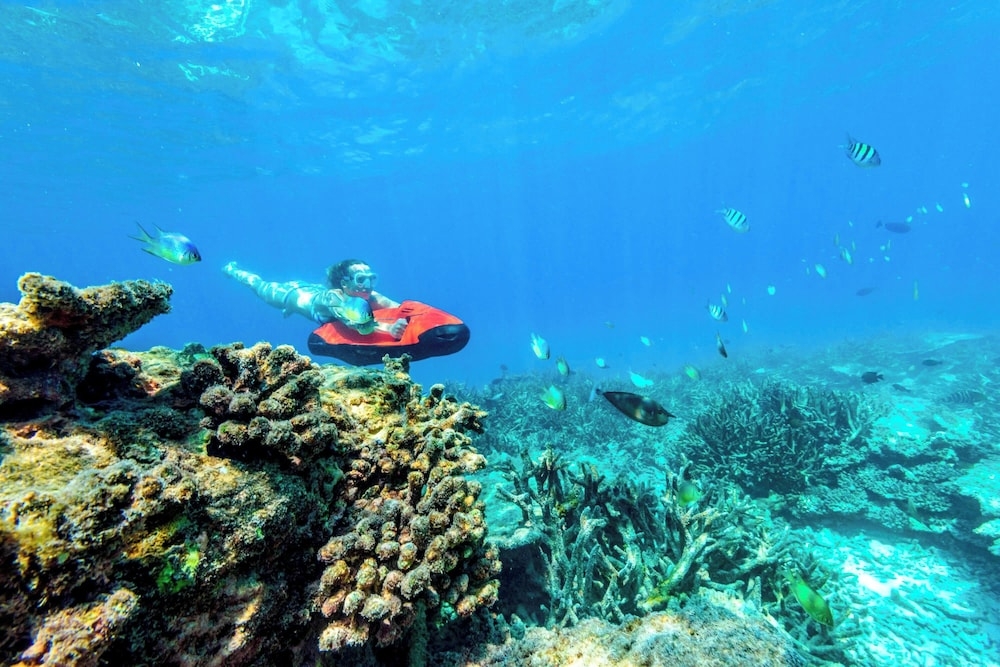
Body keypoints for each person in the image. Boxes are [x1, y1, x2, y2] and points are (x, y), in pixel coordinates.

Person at [223, 259, 408, 339]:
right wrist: (390, 328)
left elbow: (397, 307)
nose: (368, 285)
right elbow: (355, 323)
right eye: (361, 280)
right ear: (344, 284)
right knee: (257, 284)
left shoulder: (367, 293)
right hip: (288, 296)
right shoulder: (333, 298)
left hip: (311, 289)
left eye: (371, 278)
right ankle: (231, 270)